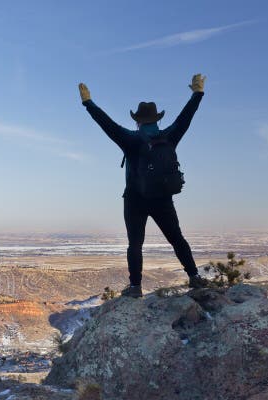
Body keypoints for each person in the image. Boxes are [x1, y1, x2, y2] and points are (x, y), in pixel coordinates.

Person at [78, 74, 209, 298]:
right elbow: (186, 117)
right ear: (157, 119)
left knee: (135, 244)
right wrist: (197, 94)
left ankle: (135, 287)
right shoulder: (169, 135)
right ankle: (194, 277)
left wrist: (88, 103)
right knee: (177, 238)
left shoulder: (130, 138)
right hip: (163, 199)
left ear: (137, 120)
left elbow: (106, 124)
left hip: (135, 199)